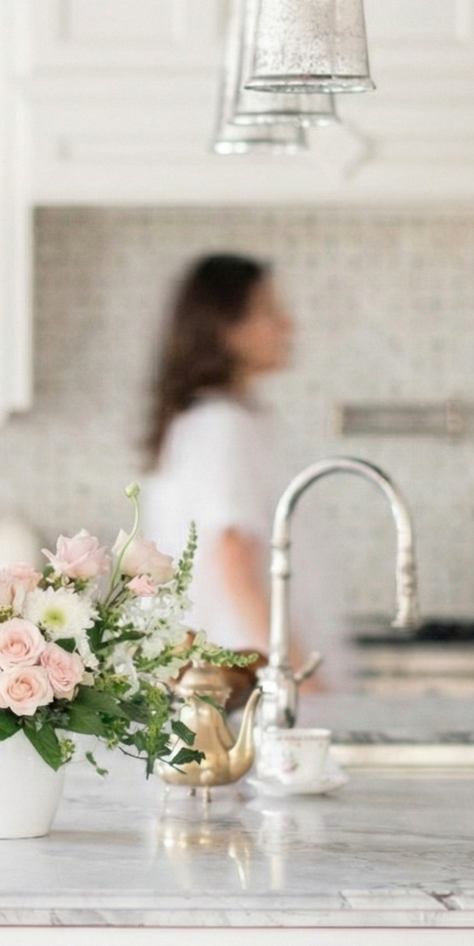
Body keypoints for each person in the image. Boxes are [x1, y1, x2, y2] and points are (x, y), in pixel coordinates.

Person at [142, 253, 349, 689]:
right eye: (270, 311)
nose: (288, 325)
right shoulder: (221, 426)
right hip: (243, 682)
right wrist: (297, 677)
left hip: (231, 680)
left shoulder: (214, 422)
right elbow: (234, 561)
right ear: (226, 329)